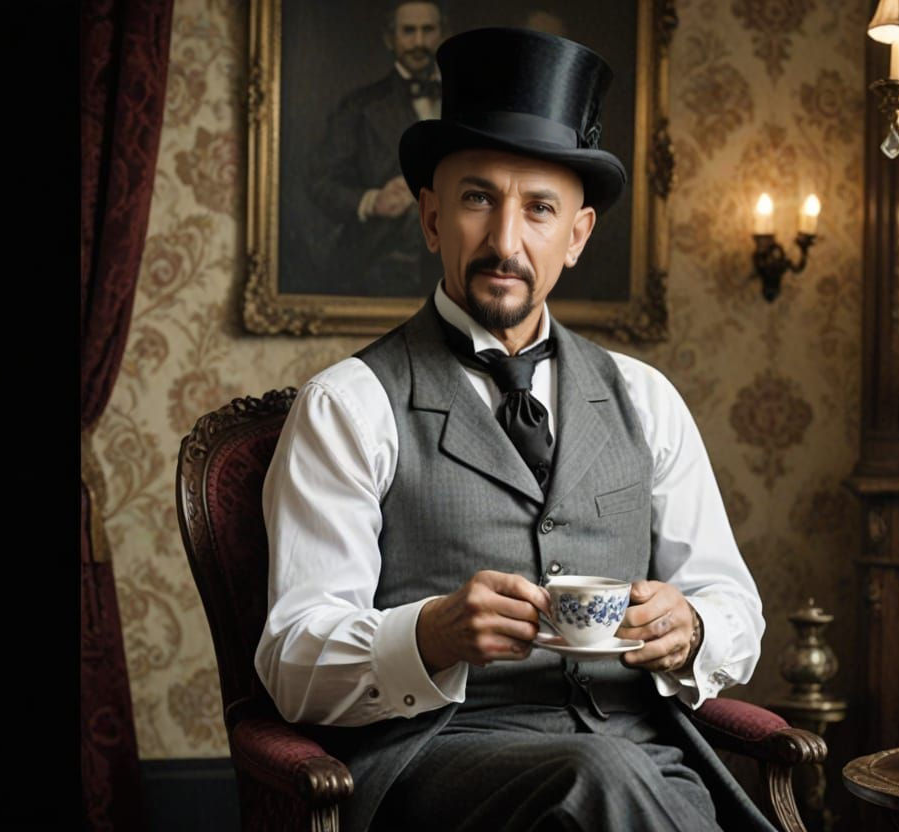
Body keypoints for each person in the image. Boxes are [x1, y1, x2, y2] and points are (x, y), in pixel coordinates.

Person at [259, 26, 775, 832]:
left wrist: (695, 626)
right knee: (610, 781)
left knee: (625, 778)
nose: (505, 241)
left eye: (539, 209)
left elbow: (732, 602)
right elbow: (294, 659)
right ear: (430, 217)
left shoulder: (646, 398)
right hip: (437, 763)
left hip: (642, 759)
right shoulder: (347, 405)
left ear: (577, 237)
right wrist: (429, 634)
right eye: (476, 199)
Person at [306, 1, 445, 297]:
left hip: (457, 269)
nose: (419, 42)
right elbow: (320, 182)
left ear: (443, 35)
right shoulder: (360, 106)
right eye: (408, 31)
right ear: (389, 39)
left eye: (428, 30)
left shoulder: (468, 103)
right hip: (382, 265)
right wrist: (373, 200)